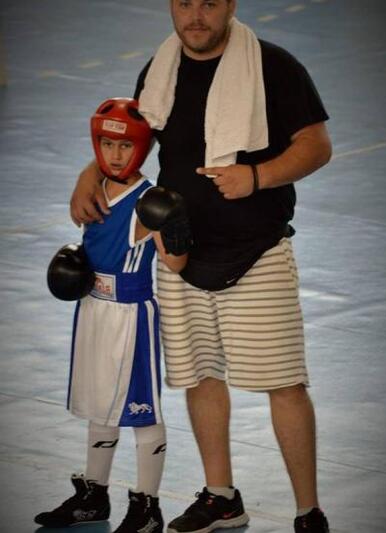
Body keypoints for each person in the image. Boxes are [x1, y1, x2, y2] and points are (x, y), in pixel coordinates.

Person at [69, 2, 332, 532]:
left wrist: (256, 177)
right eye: (185, 2)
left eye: (209, 2)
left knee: (284, 383)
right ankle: (221, 497)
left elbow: (316, 146)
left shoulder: (274, 66)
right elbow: (135, 140)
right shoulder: (161, 68)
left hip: (256, 252)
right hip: (179, 253)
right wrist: (89, 175)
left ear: (230, 4)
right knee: (200, 377)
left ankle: (309, 512)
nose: (195, 15)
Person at [36, 97, 189, 533]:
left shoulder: (148, 200)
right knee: (99, 406)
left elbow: (175, 264)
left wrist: (175, 226)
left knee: (142, 412)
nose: (116, 155)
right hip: (91, 308)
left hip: (130, 316)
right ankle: (94, 495)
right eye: (107, 145)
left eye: (125, 146)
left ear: (141, 149)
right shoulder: (93, 190)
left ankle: (147, 507)